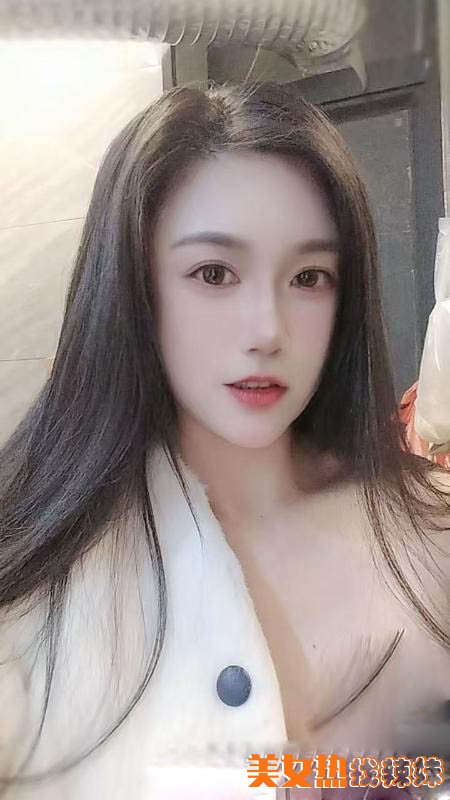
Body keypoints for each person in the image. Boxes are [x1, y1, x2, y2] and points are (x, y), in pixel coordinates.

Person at [0, 80, 449, 799]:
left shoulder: (429, 533)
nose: (267, 330)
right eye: (214, 273)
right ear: (133, 286)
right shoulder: (34, 585)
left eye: (309, 277)